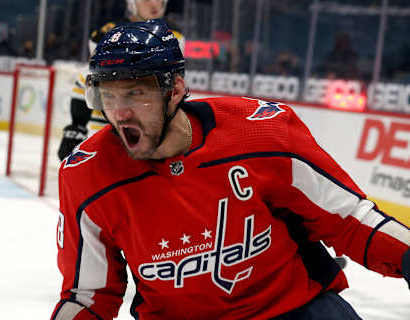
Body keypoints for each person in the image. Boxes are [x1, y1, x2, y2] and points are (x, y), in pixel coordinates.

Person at [51, 20, 410, 320]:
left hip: (295, 310)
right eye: (108, 97)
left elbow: (347, 219)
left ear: (174, 90)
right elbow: (88, 296)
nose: (119, 112)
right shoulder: (86, 175)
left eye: (134, 93)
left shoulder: (262, 132)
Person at [57, 0, 185, 161]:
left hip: (153, 135)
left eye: (160, 0)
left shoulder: (172, 36)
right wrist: (77, 125)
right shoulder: (106, 33)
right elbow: (88, 77)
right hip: (107, 132)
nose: (155, 4)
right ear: (131, 3)